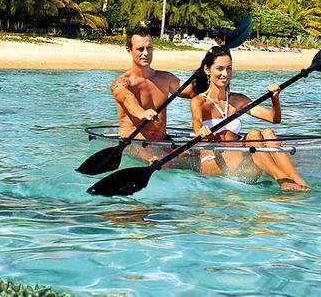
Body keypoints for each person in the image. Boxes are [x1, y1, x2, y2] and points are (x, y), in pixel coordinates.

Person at [190, 46, 310, 191]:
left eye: (229, 68)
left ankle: (296, 179)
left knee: (267, 133)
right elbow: (197, 125)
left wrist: (275, 99)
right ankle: (282, 179)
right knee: (254, 136)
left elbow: (274, 118)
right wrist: (202, 131)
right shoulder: (199, 101)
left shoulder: (237, 100)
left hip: (240, 163)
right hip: (214, 162)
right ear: (207, 69)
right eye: (219, 68)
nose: (225, 74)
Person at [111, 26, 196, 162]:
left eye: (149, 48)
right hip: (135, 143)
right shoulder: (121, 83)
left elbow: (192, 92)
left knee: (195, 156)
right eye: (140, 49)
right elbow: (127, 99)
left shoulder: (165, 78)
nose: (146, 53)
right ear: (129, 50)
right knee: (160, 162)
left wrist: (205, 73)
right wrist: (141, 113)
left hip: (163, 141)